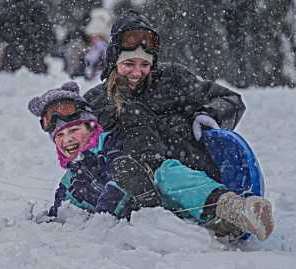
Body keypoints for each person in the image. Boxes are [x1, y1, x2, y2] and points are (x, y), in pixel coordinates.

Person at [28, 81, 274, 241]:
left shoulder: (110, 143)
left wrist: (102, 217)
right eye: (59, 136)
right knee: (177, 215)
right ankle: (221, 227)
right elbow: (61, 207)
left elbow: (120, 178)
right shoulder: (71, 179)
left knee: (169, 172)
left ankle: (233, 208)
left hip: (156, 191)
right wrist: (47, 220)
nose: (68, 139)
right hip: (149, 218)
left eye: (74, 131)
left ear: (91, 125)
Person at [83, 11, 246, 183]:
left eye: (145, 64)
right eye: (128, 64)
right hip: (132, 189)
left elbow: (230, 100)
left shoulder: (173, 79)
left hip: (193, 177)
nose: (137, 73)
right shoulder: (97, 100)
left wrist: (209, 115)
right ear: (114, 62)